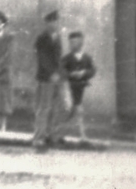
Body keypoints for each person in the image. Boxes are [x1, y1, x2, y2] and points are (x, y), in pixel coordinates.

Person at [33, 10, 64, 151]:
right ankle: (38, 138)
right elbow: (42, 58)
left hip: (57, 78)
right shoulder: (42, 38)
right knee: (44, 108)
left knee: (55, 107)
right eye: (51, 22)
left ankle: (52, 135)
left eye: (56, 22)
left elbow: (59, 58)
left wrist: (59, 74)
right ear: (46, 24)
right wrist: (52, 74)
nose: (54, 24)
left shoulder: (58, 37)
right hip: (46, 77)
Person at [62, 30, 97, 142]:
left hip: (82, 87)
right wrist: (70, 74)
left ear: (81, 42)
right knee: (73, 109)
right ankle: (78, 134)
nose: (72, 45)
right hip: (70, 87)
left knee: (77, 110)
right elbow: (61, 71)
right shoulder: (67, 58)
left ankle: (80, 134)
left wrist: (84, 73)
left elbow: (93, 70)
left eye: (75, 42)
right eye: (71, 42)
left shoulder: (87, 58)